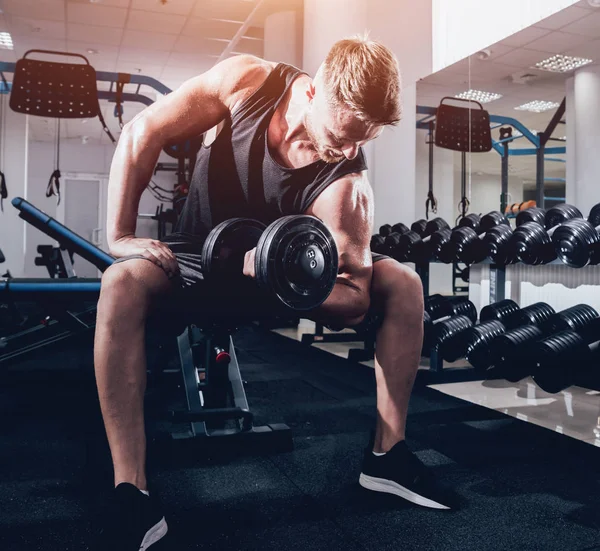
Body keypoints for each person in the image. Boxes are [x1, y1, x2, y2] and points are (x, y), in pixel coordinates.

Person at [96, 35, 451, 550]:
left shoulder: (346, 183)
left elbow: (352, 299)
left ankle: (386, 456)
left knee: (403, 282)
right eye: (341, 135)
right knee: (120, 281)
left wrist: (276, 276)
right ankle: (132, 488)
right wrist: (121, 234)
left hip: (280, 281)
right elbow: (142, 130)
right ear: (311, 91)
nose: (348, 151)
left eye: (361, 141)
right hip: (197, 256)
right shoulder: (247, 83)